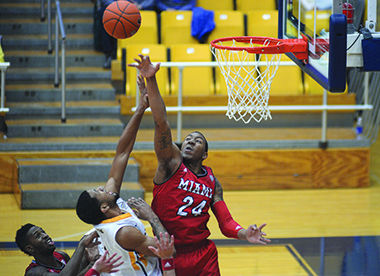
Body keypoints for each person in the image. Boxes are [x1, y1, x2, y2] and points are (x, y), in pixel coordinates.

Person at [129, 55, 271, 276]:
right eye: (187, 138)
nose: (190, 141)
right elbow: (161, 122)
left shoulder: (213, 182)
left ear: (204, 154)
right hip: (170, 252)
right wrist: (151, 80)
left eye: (197, 141)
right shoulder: (170, 164)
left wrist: (244, 234)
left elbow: (226, 223)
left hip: (203, 254)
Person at [76, 76, 173, 275]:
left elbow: (122, 152)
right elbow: (167, 250)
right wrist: (151, 216)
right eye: (98, 191)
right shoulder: (125, 233)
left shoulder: (111, 204)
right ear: (103, 207)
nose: (102, 187)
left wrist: (140, 109)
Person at [15, 223, 100, 275]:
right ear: (30, 248)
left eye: (43, 232)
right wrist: (81, 245)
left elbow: (76, 274)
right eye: (38, 236)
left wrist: (91, 261)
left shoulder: (61, 255)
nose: (45, 235)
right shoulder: (35, 272)